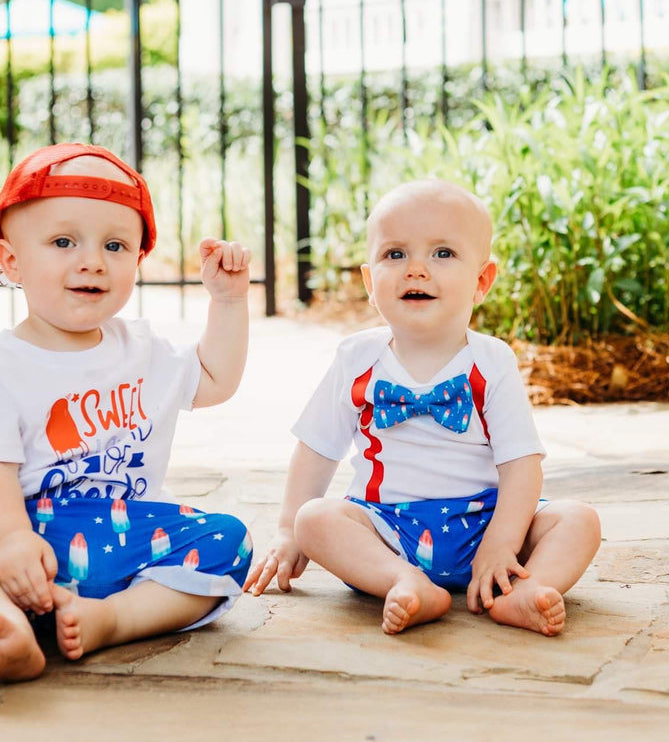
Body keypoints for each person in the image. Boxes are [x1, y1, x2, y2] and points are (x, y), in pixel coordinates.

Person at [0, 142, 254, 681]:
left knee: (229, 538)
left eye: (116, 245)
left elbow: (216, 380)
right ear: (11, 260)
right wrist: (9, 540)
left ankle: (111, 619)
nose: (92, 261)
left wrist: (229, 303)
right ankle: (4, 625)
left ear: (138, 262)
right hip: (27, 544)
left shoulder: (145, 352)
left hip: (128, 539)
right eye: (62, 241)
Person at [243, 180, 600, 637]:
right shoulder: (357, 359)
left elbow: (521, 466)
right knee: (315, 518)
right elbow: (316, 449)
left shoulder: (491, 362)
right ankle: (404, 582)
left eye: (443, 254)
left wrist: (501, 543)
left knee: (578, 520)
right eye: (395, 255)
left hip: (485, 521)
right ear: (371, 283)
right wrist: (289, 532)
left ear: (482, 281)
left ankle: (530, 590)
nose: (416, 269)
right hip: (387, 530)